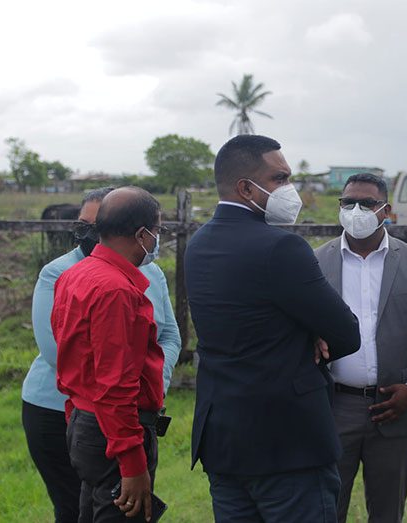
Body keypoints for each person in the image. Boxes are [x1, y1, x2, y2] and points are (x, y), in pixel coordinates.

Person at [185, 134, 361, 522]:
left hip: (224, 438)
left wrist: (304, 330)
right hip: (287, 443)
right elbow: (346, 333)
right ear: (245, 187)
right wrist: (310, 332)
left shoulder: (198, 244)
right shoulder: (281, 248)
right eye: (280, 179)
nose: (290, 189)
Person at [22, 187, 181, 523]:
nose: (156, 240)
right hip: (113, 429)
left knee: (88, 510)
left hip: (85, 420)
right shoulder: (117, 289)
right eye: (157, 231)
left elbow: (73, 365)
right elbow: (115, 385)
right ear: (142, 235)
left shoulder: (78, 274)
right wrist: (133, 463)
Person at [314, 173, 407, 523]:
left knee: (388, 512)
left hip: (394, 409)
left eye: (367, 203)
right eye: (348, 203)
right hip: (333, 407)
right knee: (325, 510)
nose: (356, 210)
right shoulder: (317, 261)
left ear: (386, 210)